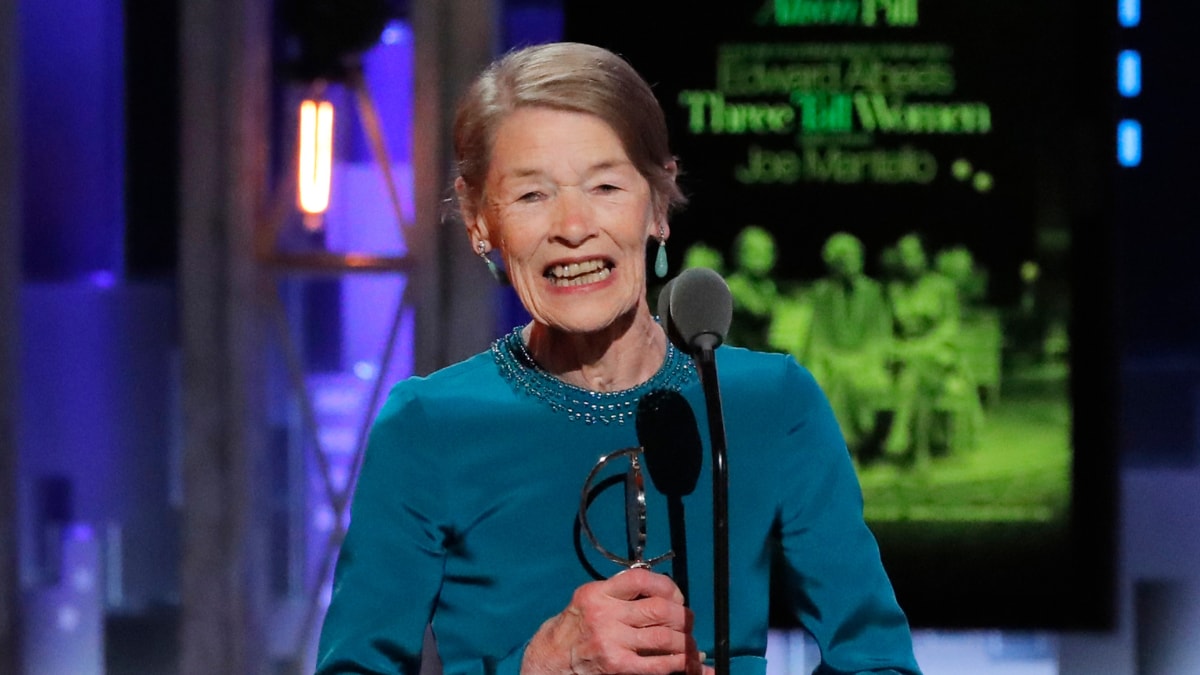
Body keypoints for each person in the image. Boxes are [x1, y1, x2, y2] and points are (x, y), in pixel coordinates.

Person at [314, 42, 922, 675]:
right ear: (478, 220)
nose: (574, 227)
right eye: (531, 195)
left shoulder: (772, 404)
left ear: (658, 203)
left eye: (605, 186)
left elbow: (878, 663)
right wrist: (536, 668)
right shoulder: (428, 427)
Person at [803, 232, 892, 458]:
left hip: (865, 359)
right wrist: (833, 358)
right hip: (833, 359)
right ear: (833, 265)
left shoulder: (873, 292)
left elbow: (880, 335)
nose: (849, 263)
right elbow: (817, 336)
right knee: (835, 379)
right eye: (842, 259)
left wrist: (861, 360)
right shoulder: (822, 293)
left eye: (853, 257)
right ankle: (845, 447)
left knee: (856, 380)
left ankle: (848, 446)